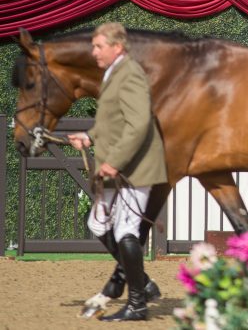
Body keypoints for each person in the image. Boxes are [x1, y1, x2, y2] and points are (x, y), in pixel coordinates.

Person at [68, 22, 167, 321]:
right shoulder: (112, 73)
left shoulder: (131, 74)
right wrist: (89, 136)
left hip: (135, 167)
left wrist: (116, 161)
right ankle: (143, 282)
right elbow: (112, 120)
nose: (93, 51)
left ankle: (137, 303)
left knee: (126, 230)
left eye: (99, 46)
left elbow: (138, 124)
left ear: (117, 47)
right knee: (98, 224)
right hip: (119, 167)